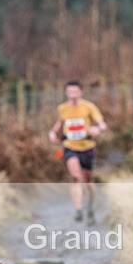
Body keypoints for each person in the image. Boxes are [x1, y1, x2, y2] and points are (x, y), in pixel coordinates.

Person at [49, 80, 107, 224]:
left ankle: (90, 207)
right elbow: (60, 123)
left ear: (81, 92)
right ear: (66, 93)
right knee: (76, 177)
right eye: (69, 92)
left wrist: (98, 129)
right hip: (69, 146)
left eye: (75, 92)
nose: (72, 95)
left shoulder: (88, 107)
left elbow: (102, 124)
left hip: (87, 147)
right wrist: (53, 132)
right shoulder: (62, 108)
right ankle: (78, 209)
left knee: (88, 181)